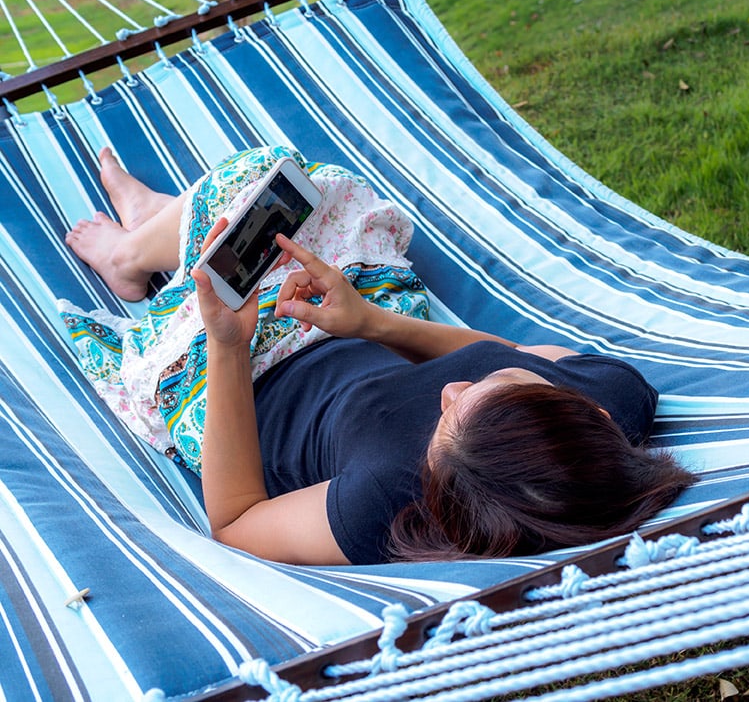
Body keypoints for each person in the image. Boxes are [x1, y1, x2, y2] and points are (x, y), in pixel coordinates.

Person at [63, 146, 695, 566]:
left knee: (252, 185)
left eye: (450, 414)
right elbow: (522, 355)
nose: (448, 388)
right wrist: (367, 321)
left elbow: (235, 520)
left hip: (239, 390)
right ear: (591, 419)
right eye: (487, 387)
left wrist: (228, 346)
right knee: (315, 188)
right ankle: (160, 231)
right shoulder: (609, 405)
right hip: (349, 325)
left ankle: (131, 256)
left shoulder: (386, 501)